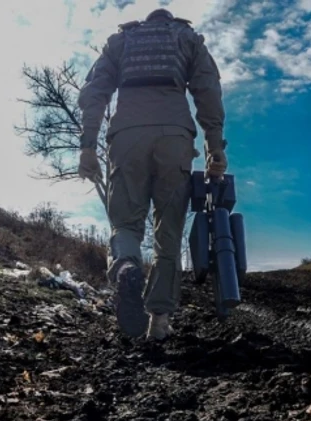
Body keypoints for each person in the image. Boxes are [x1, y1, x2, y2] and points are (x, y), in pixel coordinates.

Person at [77, 8, 228, 340]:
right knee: (168, 231)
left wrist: (88, 146)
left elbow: (95, 93)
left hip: (128, 135)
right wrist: (214, 146)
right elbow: (208, 91)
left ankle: (127, 267)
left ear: (146, 22)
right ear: (170, 20)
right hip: (174, 137)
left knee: (126, 224)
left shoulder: (121, 40)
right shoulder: (188, 38)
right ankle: (158, 322)